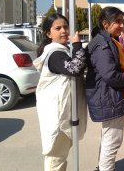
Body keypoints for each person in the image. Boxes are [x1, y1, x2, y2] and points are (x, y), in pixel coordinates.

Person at [85, 7, 124, 171]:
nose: (121, 26)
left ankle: (103, 167)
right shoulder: (103, 45)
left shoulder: (109, 41)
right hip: (109, 98)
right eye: (118, 21)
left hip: (109, 97)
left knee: (109, 139)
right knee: (112, 140)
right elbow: (111, 76)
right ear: (105, 23)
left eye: (122, 21)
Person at [33, 13, 87, 171]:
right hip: (56, 116)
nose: (63, 31)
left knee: (59, 157)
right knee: (55, 159)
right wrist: (77, 45)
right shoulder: (55, 53)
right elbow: (75, 68)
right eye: (58, 28)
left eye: (65, 27)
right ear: (49, 34)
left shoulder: (61, 50)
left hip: (60, 113)